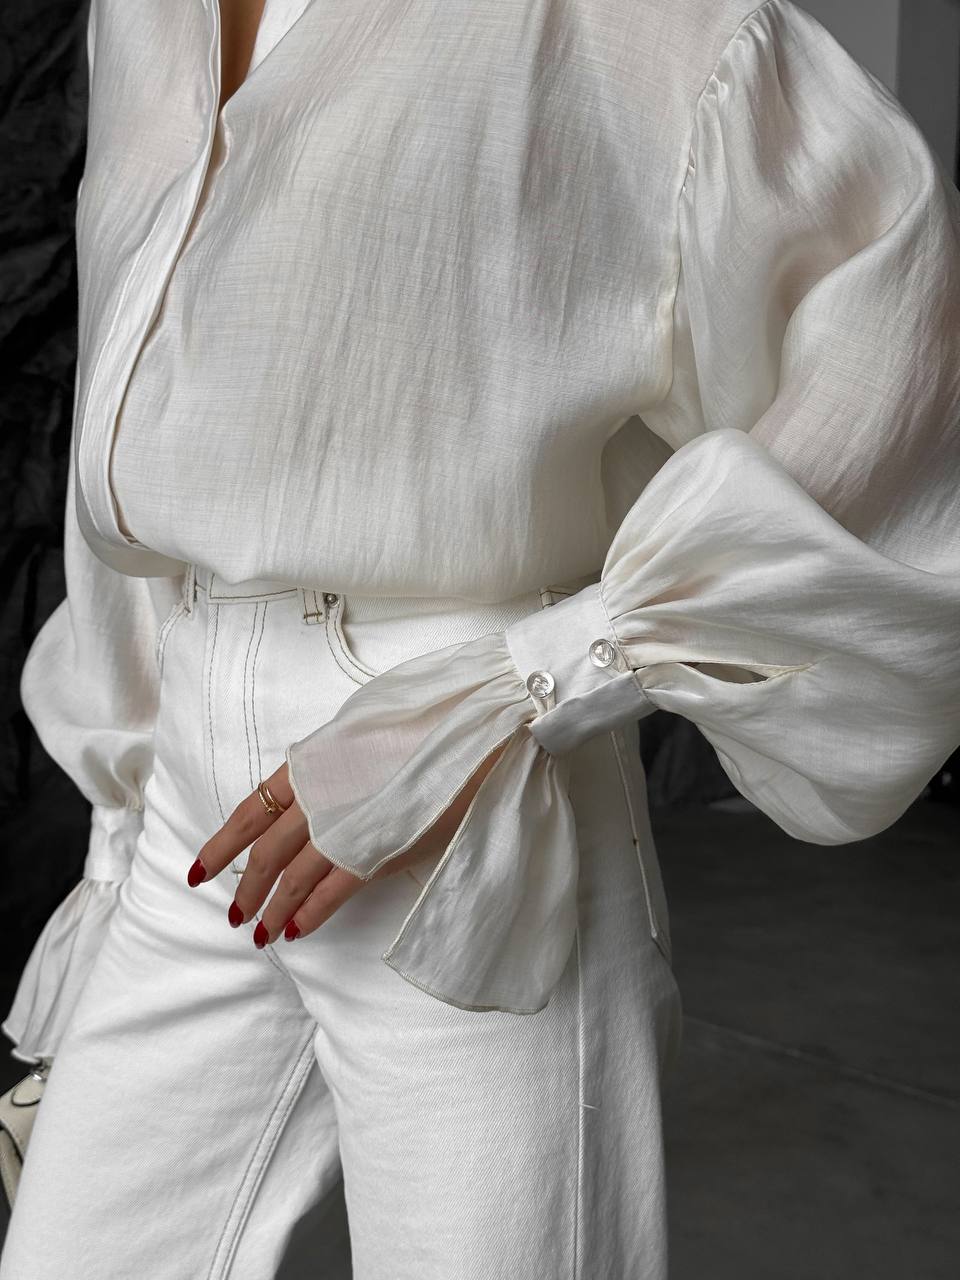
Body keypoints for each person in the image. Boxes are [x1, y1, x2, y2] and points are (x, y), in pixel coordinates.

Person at [3, 0, 960, 1275]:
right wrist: (120, 820)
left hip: (478, 810)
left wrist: (533, 680)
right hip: (192, 798)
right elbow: (136, 421)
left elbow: (892, 343)